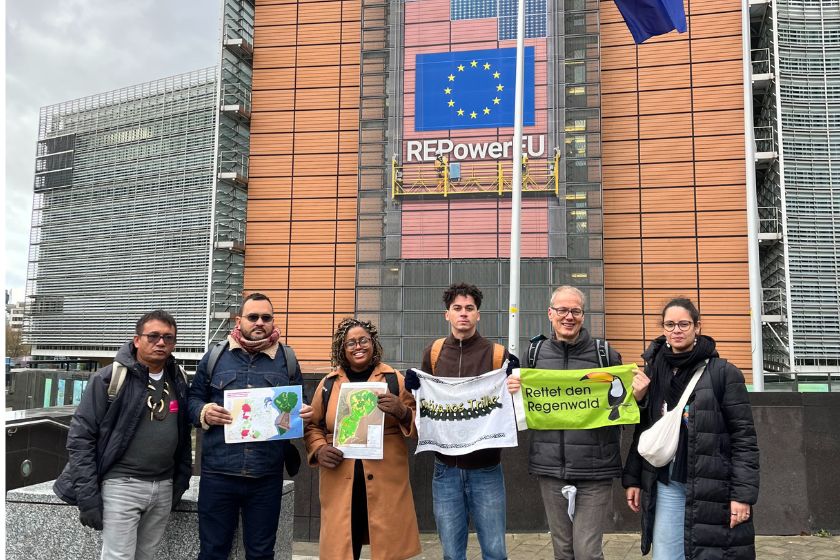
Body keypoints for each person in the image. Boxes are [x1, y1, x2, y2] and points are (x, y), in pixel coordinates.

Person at [507, 285, 647, 560]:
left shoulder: (605, 354)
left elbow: (622, 404)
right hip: (550, 468)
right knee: (563, 550)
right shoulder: (533, 355)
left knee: (587, 552)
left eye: (575, 311)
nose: (568, 316)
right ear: (550, 313)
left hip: (595, 469)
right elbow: (520, 406)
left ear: (583, 316)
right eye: (562, 310)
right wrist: (513, 388)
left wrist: (638, 395)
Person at [623, 297, 759, 559]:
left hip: (713, 484)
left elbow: (744, 439)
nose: (677, 330)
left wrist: (742, 496)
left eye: (684, 324)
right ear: (663, 328)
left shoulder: (723, 373)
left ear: (697, 326)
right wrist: (634, 478)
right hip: (666, 480)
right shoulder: (653, 370)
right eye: (670, 324)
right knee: (666, 555)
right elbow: (645, 430)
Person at [54, 310, 192, 560]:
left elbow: (184, 434)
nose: (161, 342)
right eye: (153, 336)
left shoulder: (179, 378)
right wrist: (88, 497)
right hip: (121, 485)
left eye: (168, 338)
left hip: (163, 487)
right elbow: (80, 438)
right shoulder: (109, 379)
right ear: (136, 340)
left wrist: (180, 483)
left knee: (146, 556)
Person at [188, 292, 313, 560]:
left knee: (261, 554)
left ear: (273, 321)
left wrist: (303, 411)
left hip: (266, 476)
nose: (260, 322)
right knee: (212, 553)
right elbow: (192, 400)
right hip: (218, 474)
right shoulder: (215, 357)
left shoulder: (287, 360)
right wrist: (204, 411)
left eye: (266, 318)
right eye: (253, 317)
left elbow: (302, 401)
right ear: (239, 320)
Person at [304, 318, 420, 559]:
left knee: (388, 548)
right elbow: (312, 425)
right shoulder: (328, 384)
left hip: (386, 480)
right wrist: (319, 448)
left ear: (373, 343)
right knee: (344, 546)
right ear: (342, 349)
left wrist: (401, 411)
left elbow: (419, 424)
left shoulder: (393, 379)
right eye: (351, 343)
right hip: (340, 481)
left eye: (364, 340)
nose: (358, 347)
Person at [420, 282, 509, 560]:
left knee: (495, 552)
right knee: (451, 553)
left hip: (486, 469)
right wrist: (415, 389)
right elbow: (420, 404)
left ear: (478, 314)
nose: (463, 314)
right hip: (445, 469)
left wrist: (515, 382)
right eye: (457, 308)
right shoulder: (433, 353)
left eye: (469, 308)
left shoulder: (498, 355)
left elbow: (512, 409)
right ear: (447, 314)